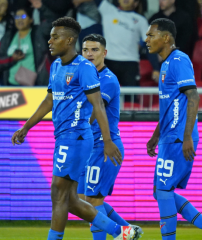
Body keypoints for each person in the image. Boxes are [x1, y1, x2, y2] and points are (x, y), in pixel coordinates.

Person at [10, 17, 141, 240]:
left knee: (59, 193)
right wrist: (27, 127)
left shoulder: (85, 68)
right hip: (63, 137)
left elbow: (98, 104)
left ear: (69, 40)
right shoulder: (57, 66)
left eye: (55, 37)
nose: (49, 40)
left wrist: (108, 141)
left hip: (77, 136)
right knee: (69, 199)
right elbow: (49, 101)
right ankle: (120, 232)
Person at [145, 18, 202, 240]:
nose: (146, 39)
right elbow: (170, 105)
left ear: (166, 37)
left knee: (164, 191)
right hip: (169, 137)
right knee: (160, 192)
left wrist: (187, 136)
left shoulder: (179, 60)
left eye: (151, 35)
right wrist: (156, 135)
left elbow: (193, 96)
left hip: (178, 138)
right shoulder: (166, 63)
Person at [77, 34, 138, 240]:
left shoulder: (108, 80)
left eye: (94, 50)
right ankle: (126, 231)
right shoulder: (85, 77)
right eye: (85, 50)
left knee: (92, 201)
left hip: (103, 146)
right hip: (90, 147)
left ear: (104, 53)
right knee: (82, 198)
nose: (89, 54)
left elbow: (95, 112)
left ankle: (118, 233)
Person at [148, 0, 196, 82]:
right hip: (158, 60)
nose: (160, 2)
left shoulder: (184, 18)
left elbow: (186, 43)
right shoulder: (154, 18)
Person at [0, 7, 49, 86]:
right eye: (17, 17)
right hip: (11, 85)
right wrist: (12, 59)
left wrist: (41, 7)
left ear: (31, 20)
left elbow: (51, 21)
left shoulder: (38, 33)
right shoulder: (8, 36)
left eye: (23, 17)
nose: (19, 20)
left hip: (34, 85)